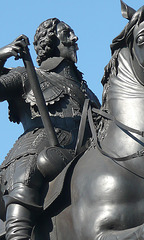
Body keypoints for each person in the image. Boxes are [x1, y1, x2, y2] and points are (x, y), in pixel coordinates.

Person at [0, 18, 100, 240]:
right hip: (36, 151)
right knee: (28, 171)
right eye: (67, 33)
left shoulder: (89, 94)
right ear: (51, 41)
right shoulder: (27, 75)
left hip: (80, 155)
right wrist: (2, 55)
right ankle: (18, 232)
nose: (74, 38)